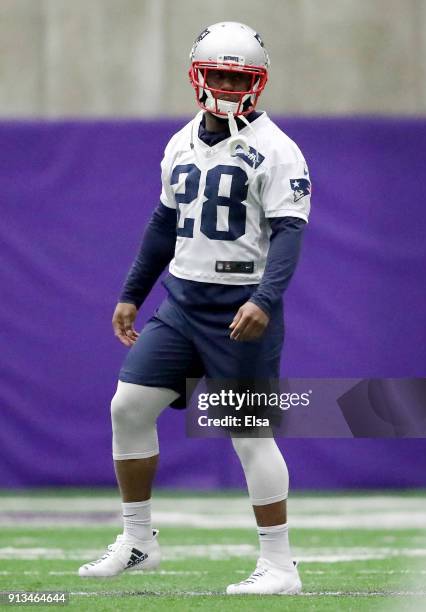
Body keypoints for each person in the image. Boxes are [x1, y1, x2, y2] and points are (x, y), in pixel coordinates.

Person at [78, 21, 311, 596]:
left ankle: (280, 566)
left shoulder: (278, 150)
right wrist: (133, 291)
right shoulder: (180, 141)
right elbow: (164, 223)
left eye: (240, 76)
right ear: (197, 76)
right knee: (128, 406)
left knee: (248, 434)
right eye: (220, 74)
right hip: (182, 302)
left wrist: (264, 298)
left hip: (241, 306)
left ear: (257, 82)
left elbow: (288, 234)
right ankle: (137, 541)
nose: (229, 86)